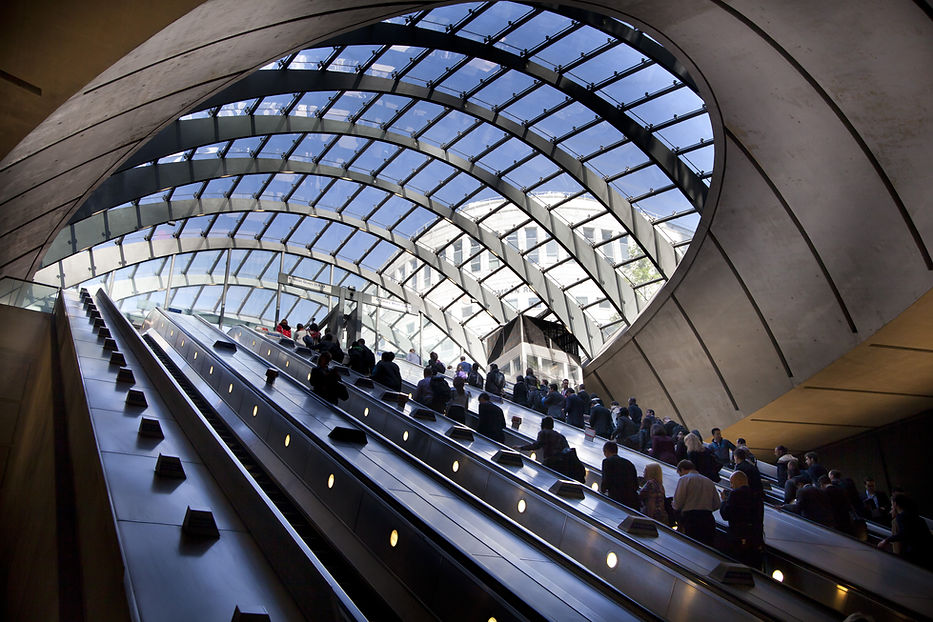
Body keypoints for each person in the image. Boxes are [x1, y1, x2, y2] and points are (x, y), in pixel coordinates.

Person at [719, 470, 764, 568]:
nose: (731, 486)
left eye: (731, 482)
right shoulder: (756, 496)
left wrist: (723, 502)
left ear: (738, 481)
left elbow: (726, 515)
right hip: (755, 539)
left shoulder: (735, 494)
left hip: (738, 538)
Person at [877, 493, 933, 569]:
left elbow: (903, 533)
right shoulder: (915, 516)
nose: (891, 507)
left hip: (916, 553)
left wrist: (886, 540)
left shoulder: (901, 517)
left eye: (891, 505)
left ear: (895, 503)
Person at [672, 460, 721, 546]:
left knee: (692, 547)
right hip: (708, 518)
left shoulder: (684, 480)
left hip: (691, 519)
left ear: (682, 469)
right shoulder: (709, 481)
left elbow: (678, 503)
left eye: (679, 473)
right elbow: (717, 503)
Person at [601, 441, 638, 508]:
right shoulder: (629, 463)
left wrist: (602, 490)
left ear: (606, 451)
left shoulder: (607, 462)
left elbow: (606, 480)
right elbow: (636, 484)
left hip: (616, 498)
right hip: (630, 500)